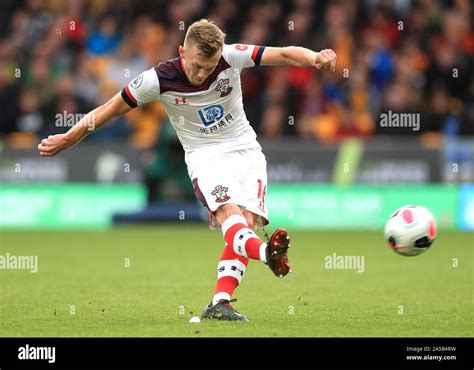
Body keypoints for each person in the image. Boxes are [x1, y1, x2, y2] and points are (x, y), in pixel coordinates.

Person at [38, 19, 337, 321]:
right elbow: (108, 110)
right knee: (230, 217)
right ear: (182, 52)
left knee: (246, 223)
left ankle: (220, 302)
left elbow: (283, 55)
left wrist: (314, 58)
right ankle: (265, 255)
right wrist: (68, 138)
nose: (202, 73)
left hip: (247, 152)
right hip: (206, 158)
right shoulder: (157, 79)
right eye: (196, 65)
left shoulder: (231, 56)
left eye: (209, 67)